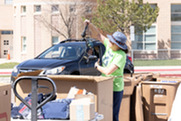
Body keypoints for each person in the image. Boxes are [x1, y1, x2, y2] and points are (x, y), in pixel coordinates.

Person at [84, 19, 128, 121]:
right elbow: (98, 35)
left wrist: (97, 66)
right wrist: (90, 24)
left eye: (112, 41)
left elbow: (108, 71)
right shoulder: (109, 45)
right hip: (104, 85)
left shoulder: (121, 56)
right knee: (102, 112)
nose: (110, 42)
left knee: (113, 115)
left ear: (118, 45)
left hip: (115, 88)